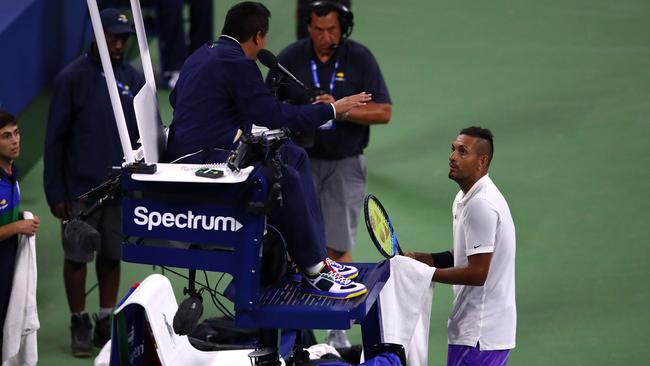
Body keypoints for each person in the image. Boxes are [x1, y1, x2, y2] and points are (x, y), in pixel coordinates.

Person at [164, 1, 371, 300]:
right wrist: (331, 110)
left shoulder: (203, 52)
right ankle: (314, 270)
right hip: (199, 162)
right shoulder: (238, 63)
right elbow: (272, 114)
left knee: (293, 155)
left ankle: (317, 256)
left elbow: (175, 99)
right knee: (281, 177)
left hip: (207, 149)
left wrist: (220, 119)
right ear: (258, 37)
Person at [43, 9, 144, 357]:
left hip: (119, 190)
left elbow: (139, 135)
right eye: (112, 37)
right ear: (96, 36)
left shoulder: (132, 77)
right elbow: (54, 140)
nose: (118, 44)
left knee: (111, 258)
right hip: (80, 193)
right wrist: (55, 192)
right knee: (77, 258)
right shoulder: (70, 79)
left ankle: (104, 320)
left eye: (122, 38)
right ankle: (78, 321)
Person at [269, 0, 391, 265]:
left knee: (336, 250)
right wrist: (303, 112)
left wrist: (340, 111)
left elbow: (384, 112)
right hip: (299, 164)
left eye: (332, 29)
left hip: (344, 166)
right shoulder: (289, 58)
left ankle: (338, 303)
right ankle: (297, 304)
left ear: (343, 27)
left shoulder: (360, 58)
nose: (326, 37)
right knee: (295, 246)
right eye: (319, 29)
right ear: (308, 27)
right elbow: (267, 110)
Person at [406, 127, 516, 366]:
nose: (452, 156)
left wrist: (423, 275)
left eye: (462, 152)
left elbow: (478, 273)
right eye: (453, 149)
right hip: (479, 331)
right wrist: (420, 258)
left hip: (480, 333)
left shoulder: (481, 205)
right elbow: (467, 256)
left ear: (481, 161)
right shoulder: (465, 198)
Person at [0, 110, 40, 360]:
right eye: (6, 136)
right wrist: (17, 228)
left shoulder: (12, 173)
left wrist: (20, 217)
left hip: (7, 266)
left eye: (16, 133)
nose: (15, 140)